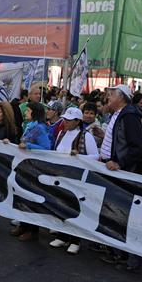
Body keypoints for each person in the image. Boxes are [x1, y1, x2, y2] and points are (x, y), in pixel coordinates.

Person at [49, 107, 100, 255]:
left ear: (77, 121)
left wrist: (79, 156)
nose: (65, 122)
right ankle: (62, 236)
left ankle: (75, 240)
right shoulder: (61, 133)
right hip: (61, 176)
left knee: (75, 209)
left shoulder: (86, 136)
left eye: (69, 120)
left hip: (77, 178)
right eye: (65, 119)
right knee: (62, 206)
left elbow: (96, 156)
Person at [10, 101, 50, 241]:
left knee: (31, 199)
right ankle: (23, 224)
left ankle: (32, 230)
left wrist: (28, 146)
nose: (25, 112)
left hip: (34, 168)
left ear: (34, 112)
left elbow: (46, 148)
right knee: (22, 196)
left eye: (27, 110)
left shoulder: (40, 128)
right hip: (25, 166)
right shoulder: (30, 125)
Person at [99, 84, 142, 175]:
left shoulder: (129, 116)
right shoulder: (118, 113)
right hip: (109, 166)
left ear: (121, 97)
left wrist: (120, 164)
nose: (108, 97)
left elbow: (138, 146)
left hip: (117, 171)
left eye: (111, 94)